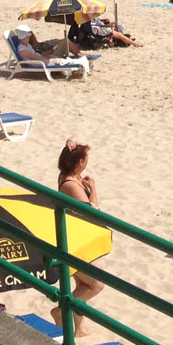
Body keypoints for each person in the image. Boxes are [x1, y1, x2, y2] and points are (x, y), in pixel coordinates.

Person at [51, 140, 105, 333]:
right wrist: (93, 188)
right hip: (72, 242)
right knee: (97, 284)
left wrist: (70, 143)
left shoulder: (69, 175)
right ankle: (60, 311)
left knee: (82, 284)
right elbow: (93, 213)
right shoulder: (71, 185)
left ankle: (79, 329)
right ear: (81, 161)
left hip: (75, 236)